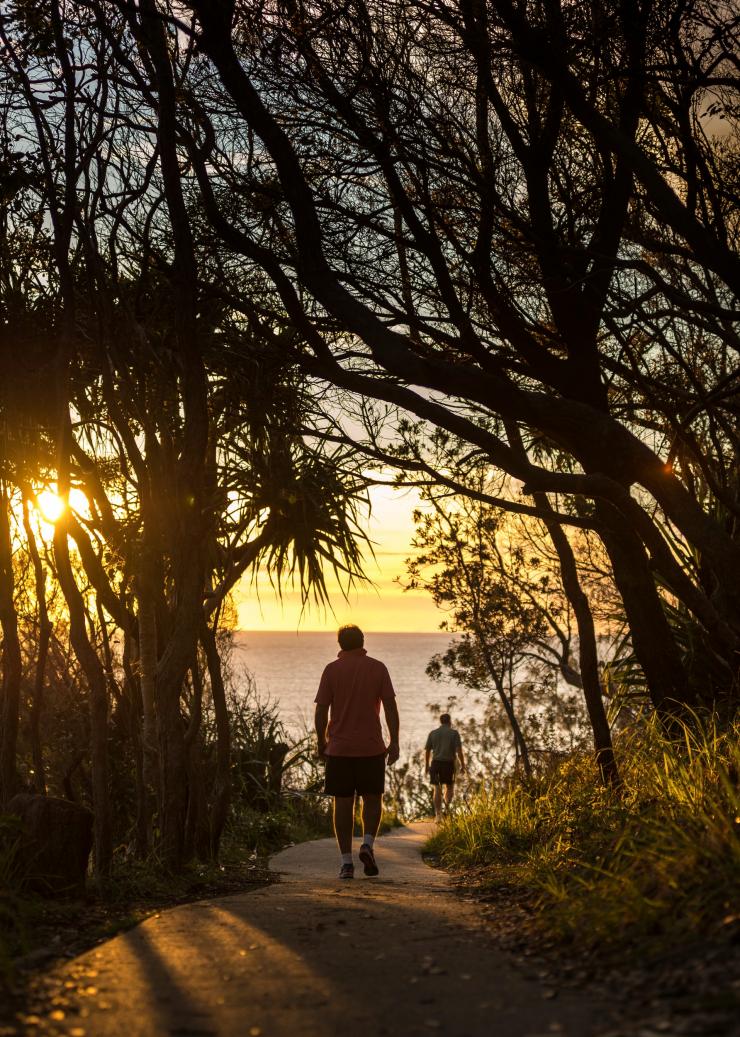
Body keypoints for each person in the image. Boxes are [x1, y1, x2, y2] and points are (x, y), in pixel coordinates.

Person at [315, 624, 400, 880]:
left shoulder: (331, 670)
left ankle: (346, 864)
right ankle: (367, 844)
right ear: (363, 642)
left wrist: (321, 742)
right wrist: (394, 741)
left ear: (340, 644)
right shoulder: (378, 668)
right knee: (373, 799)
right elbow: (390, 708)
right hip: (371, 748)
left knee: (342, 804)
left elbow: (321, 710)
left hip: (339, 749)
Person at [425, 713, 465, 821]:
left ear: (440, 721)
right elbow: (459, 751)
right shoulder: (454, 733)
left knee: (437, 788)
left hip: (436, 763)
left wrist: (426, 766)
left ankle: (438, 814)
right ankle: (447, 808)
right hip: (448, 764)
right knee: (450, 787)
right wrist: (463, 765)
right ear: (449, 721)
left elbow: (427, 751)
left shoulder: (433, 733)